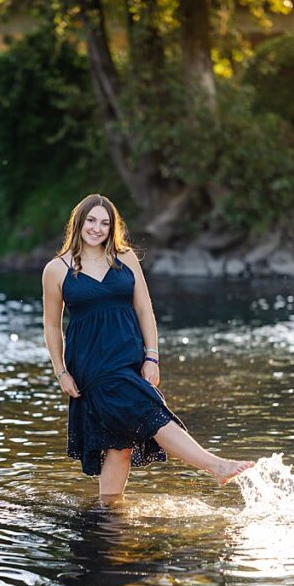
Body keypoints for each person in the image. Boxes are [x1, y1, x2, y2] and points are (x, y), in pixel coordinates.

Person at [41, 194, 254, 498]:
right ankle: (216, 466)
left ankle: (109, 514)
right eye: (91, 220)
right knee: (150, 411)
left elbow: (144, 309)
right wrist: (61, 371)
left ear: (112, 227)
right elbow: (51, 325)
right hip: (93, 365)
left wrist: (151, 357)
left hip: (129, 357)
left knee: (119, 446)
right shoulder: (56, 269)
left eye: (105, 222)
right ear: (78, 222)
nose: (97, 228)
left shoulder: (125, 258)